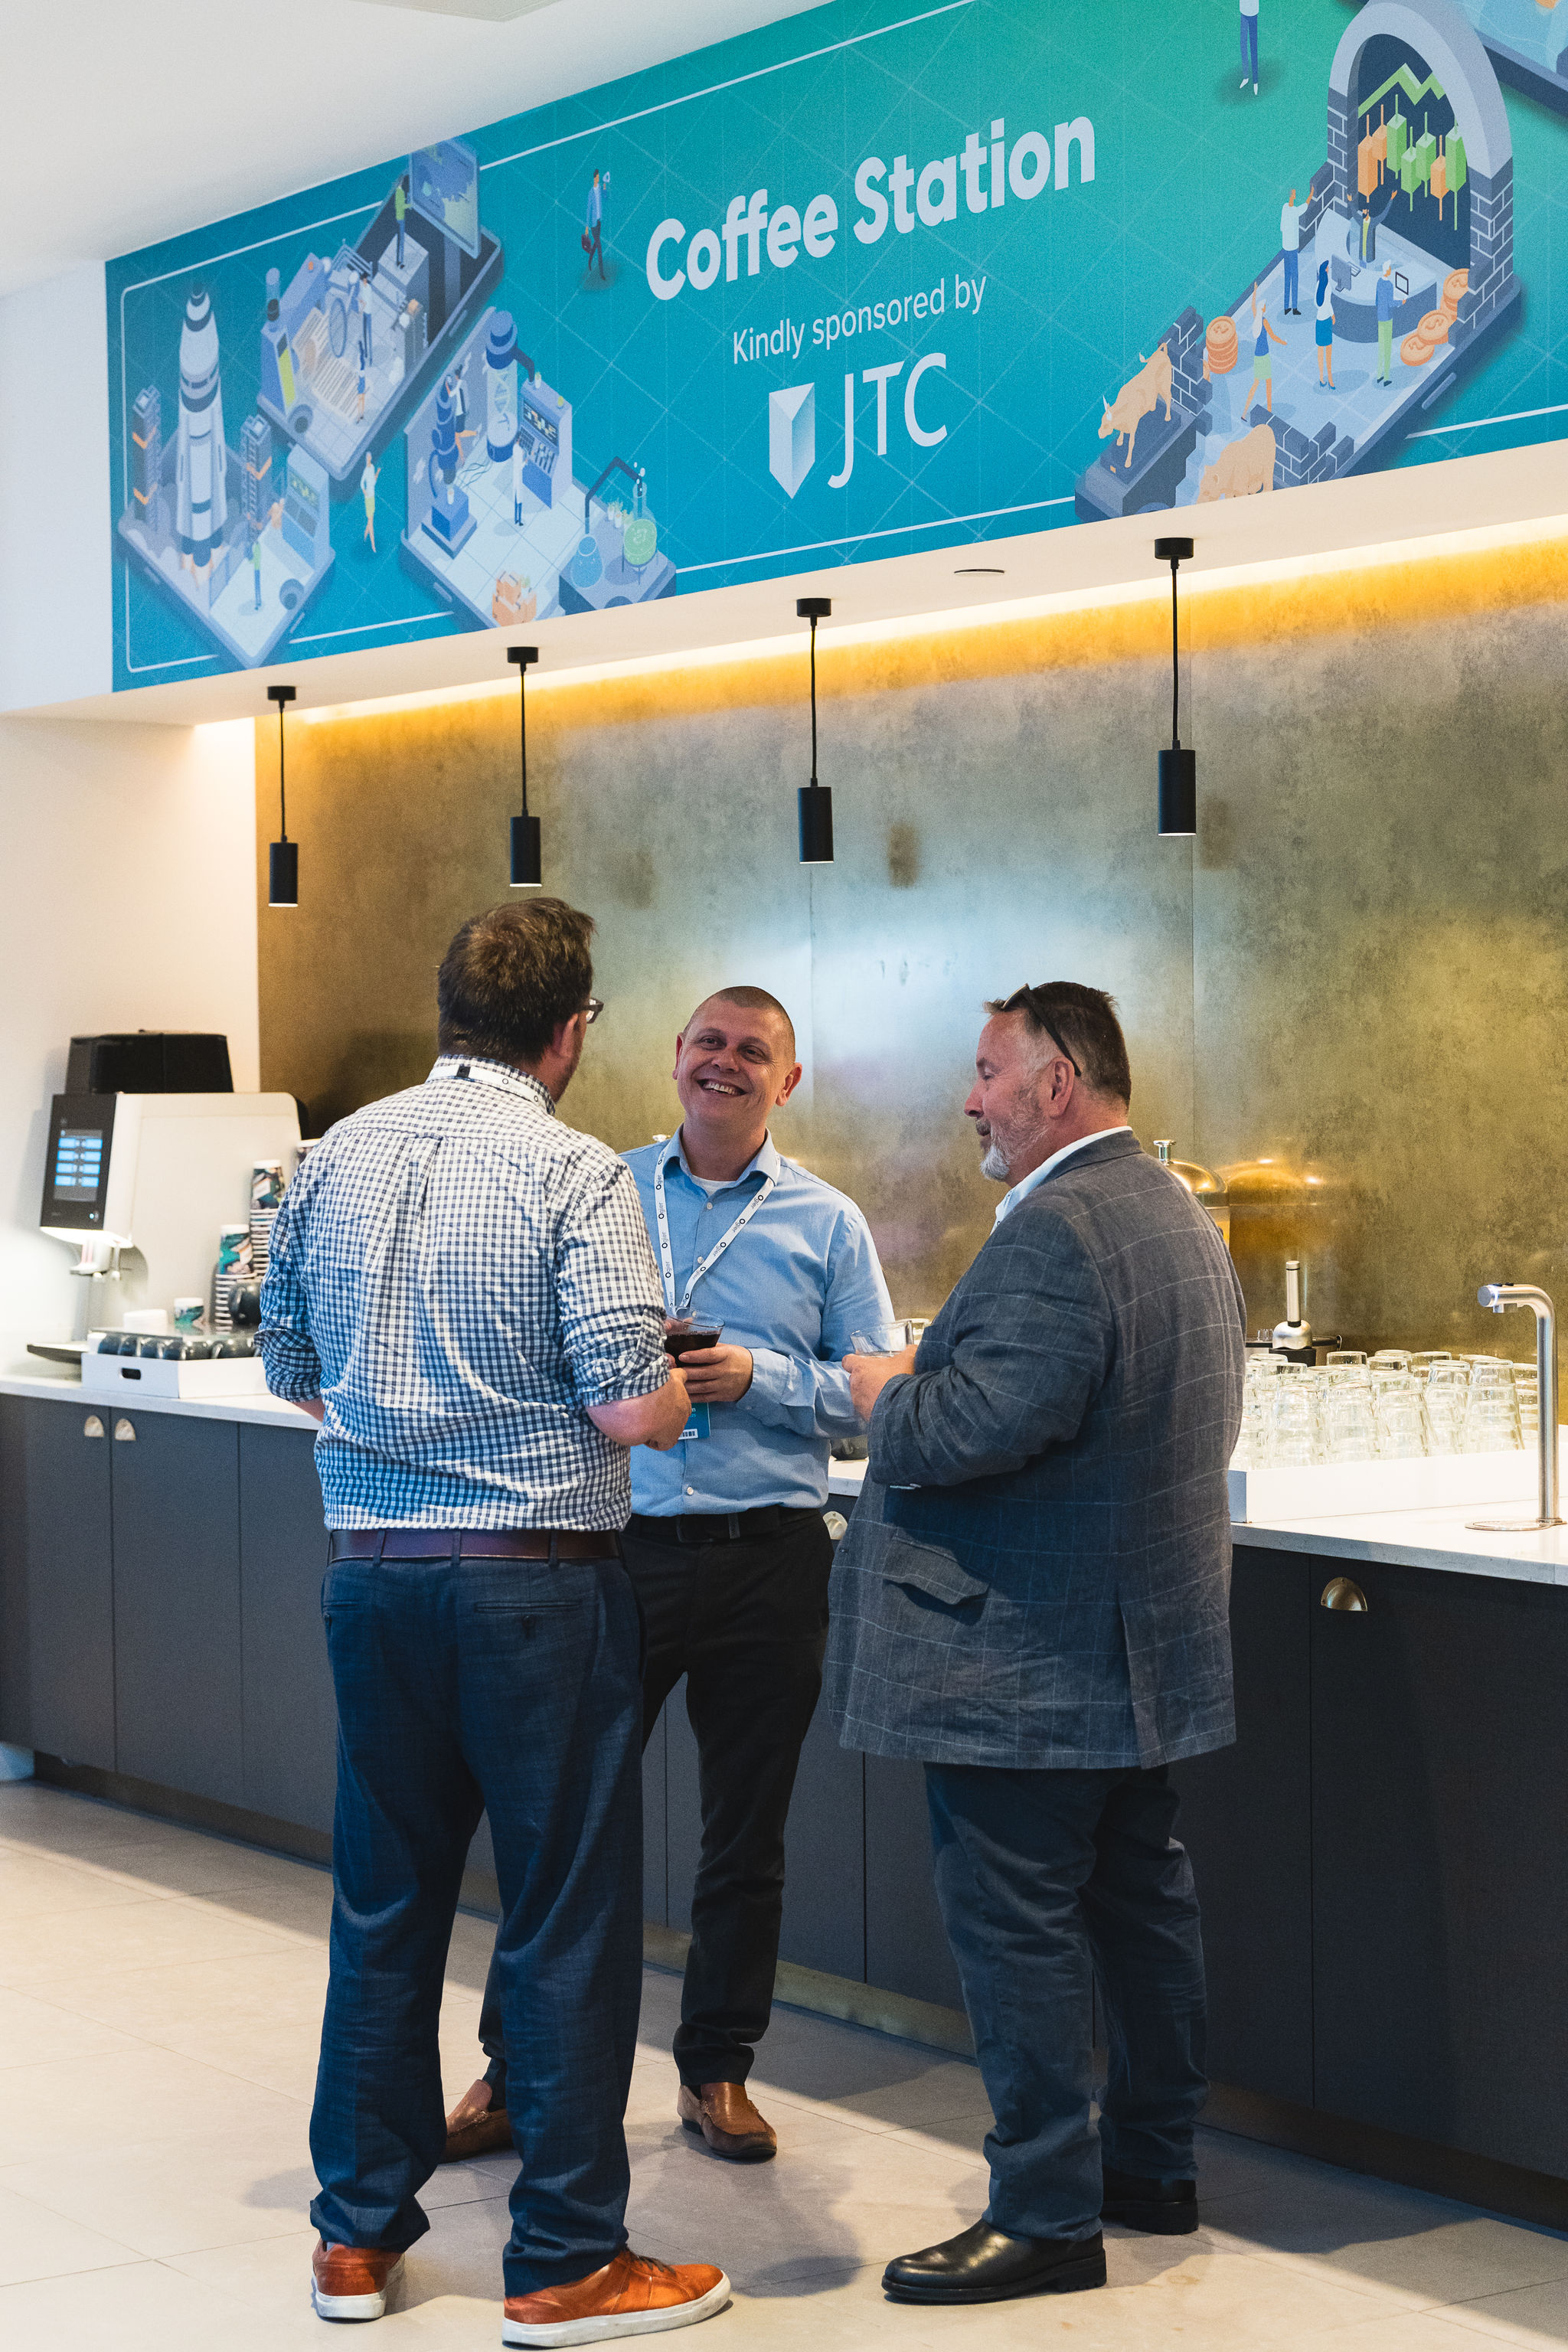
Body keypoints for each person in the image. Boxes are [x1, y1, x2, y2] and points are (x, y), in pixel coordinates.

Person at [257, 899, 729, 2344]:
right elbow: (624, 1403)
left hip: (372, 1576)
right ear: (570, 1030)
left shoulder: (338, 1152)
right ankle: (568, 2260)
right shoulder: (577, 1172)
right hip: (536, 1585)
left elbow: (288, 1363)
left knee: (383, 1901)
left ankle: (354, 2238)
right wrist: (676, 1392)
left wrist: (404, 1420)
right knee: (563, 1915)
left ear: (447, 1009)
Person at [826, 982, 1245, 2308]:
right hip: (1131, 1651)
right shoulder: (1169, 1206)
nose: (970, 1100)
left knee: (1019, 1932)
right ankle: (1150, 2167)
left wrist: (888, 1393)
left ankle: (1046, 2214)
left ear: (1056, 1082)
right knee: (1139, 1909)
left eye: (987, 1072)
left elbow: (969, 1427)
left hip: (1027, 1664)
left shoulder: (1059, 1226)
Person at [443, 986, 895, 2170]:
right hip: (617, 1551)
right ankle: (513, 2071)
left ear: (787, 1081)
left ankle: (717, 2071)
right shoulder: (599, 1189)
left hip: (769, 1559)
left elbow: (874, 1398)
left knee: (745, 1839)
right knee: (563, 1824)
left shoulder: (828, 1222)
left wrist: (759, 1378)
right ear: (675, 1059)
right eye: (708, 1043)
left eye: (753, 1051)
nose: (724, 1063)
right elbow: (533, 1349)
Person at [1247, 285, 1285, 414]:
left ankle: (1245, 412)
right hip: (1264, 356)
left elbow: (1253, 306)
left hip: (1257, 356)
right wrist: (1283, 342)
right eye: (1265, 306)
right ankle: (1269, 409)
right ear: (1263, 308)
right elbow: (1273, 336)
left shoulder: (1256, 319)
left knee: (1256, 383)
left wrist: (1255, 291)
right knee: (1268, 383)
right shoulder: (1264, 322)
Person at [1279, 187, 1306, 312]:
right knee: (1294, 277)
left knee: (1287, 277)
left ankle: (1286, 307)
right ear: (1293, 196)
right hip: (1293, 248)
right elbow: (1305, 206)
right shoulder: (1295, 211)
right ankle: (1294, 307)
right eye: (1294, 194)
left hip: (1285, 248)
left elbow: (1282, 228)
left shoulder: (1285, 208)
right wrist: (1311, 194)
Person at [1315, 260, 1336, 389]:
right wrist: (1333, 315)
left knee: (1320, 352)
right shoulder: (1328, 286)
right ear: (1326, 270)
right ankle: (1330, 379)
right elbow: (1328, 304)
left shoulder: (1318, 284)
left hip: (1319, 321)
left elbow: (1316, 303)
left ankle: (1321, 378)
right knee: (1328, 353)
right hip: (1327, 320)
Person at [1376, 260, 1396, 384]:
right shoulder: (1389, 285)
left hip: (1380, 316)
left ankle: (1379, 375)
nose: (1391, 270)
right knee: (1388, 349)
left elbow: (1377, 300)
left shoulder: (1379, 282)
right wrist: (1401, 302)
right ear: (1387, 270)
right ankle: (1386, 377)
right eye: (1390, 268)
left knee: (1381, 347)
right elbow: (1391, 303)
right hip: (1388, 318)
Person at [586, 168, 606, 280]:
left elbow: (605, 198)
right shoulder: (591, 193)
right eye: (597, 177)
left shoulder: (600, 189)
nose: (598, 179)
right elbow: (589, 209)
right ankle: (602, 273)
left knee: (595, 244)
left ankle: (589, 262)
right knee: (599, 247)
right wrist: (587, 226)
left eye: (599, 177)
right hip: (593, 224)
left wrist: (605, 187)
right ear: (594, 178)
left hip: (599, 221)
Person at [361, 450, 379, 551]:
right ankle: (373, 544)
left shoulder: (372, 468)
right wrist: (364, 492)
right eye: (367, 457)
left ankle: (365, 536)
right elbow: (362, 483)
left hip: (372, 496)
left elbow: (373, 482)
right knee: (371, 521)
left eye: (369, 457)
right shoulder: (366, 470)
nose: (368, 459)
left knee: (370, 520)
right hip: (368, 498)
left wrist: (377, 473)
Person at [1240, 0, 1259, 94]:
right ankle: (1246, 77)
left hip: (1253, 13)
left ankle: (1255, 81)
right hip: (1243, 12)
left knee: (1253, 47)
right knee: (1243, 44)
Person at [512, 426, 526, 526]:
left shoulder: (514, 448)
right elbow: (520, 466)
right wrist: (526, 461)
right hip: (518, 477)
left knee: (516, 499)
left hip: (514, 476)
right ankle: (520, 520)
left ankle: (515, 519)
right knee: (519, 500)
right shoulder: (520, 451)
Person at [394, 173, 407, 270]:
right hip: (401, 217)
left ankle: (398, 260)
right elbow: (402, 206)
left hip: (398, 217)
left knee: (399, 239)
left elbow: (398, 204)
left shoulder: (397, 192)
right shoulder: (401, 192)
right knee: (402, 240)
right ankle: (401, 262)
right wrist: (410, 205)